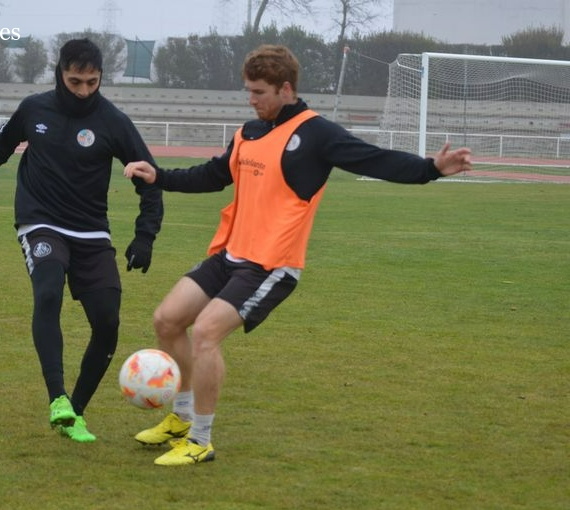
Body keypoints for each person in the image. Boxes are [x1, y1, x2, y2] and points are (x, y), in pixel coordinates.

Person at [123, 44, 472, 466]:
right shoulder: (249, 132)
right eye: (248, 91)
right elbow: (214, 175)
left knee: (206, 334)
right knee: (167, 320)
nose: (251, 100)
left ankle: (200, 440)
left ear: (285, 89)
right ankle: (179, 419)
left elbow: (374, 159)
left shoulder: (317, 133)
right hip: (231, 254)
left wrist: (431, 168)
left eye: (258, 92)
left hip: (272, 264)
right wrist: (158, 175)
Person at [0, 38, 163, 443]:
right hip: (40, 221)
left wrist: (145, 236)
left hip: (92, 230)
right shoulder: (34, 109)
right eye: (75, 81)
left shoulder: (113, 121)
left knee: (108, 321)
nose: (83, 91)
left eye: (91, 82)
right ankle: (56, 397)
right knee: (47, 293)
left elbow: (150, 177)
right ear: (60, 73)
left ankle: (74, 412)